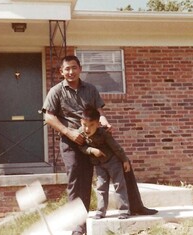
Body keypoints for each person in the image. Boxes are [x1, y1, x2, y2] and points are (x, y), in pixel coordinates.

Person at [42, 55, 157, 235]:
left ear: (80, 68)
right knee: (78, 181)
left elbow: (99, 112)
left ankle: (136, 206)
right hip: (72, 141)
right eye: (67, 69)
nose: (70, 72)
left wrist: (105, 122)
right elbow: (48, 117)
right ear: (61, 72)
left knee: (123, 162)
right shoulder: (56, 91)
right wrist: (69, 132)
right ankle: (78, 228)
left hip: (95, 136)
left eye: (74, 67)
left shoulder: (91, 89)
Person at [78, 105, 131, 219]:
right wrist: (92, 150)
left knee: (119, 185)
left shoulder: (103, 133)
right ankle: (101, 211)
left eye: (92, 125)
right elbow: (81, 147)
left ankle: (124, 210)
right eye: (84, 125)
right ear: (81, 122)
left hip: (113, 162)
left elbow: (116, 147)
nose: (87, 129)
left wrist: (124, 160)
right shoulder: (81, 133)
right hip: (99, 164)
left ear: (98, 124)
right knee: (101, 187)